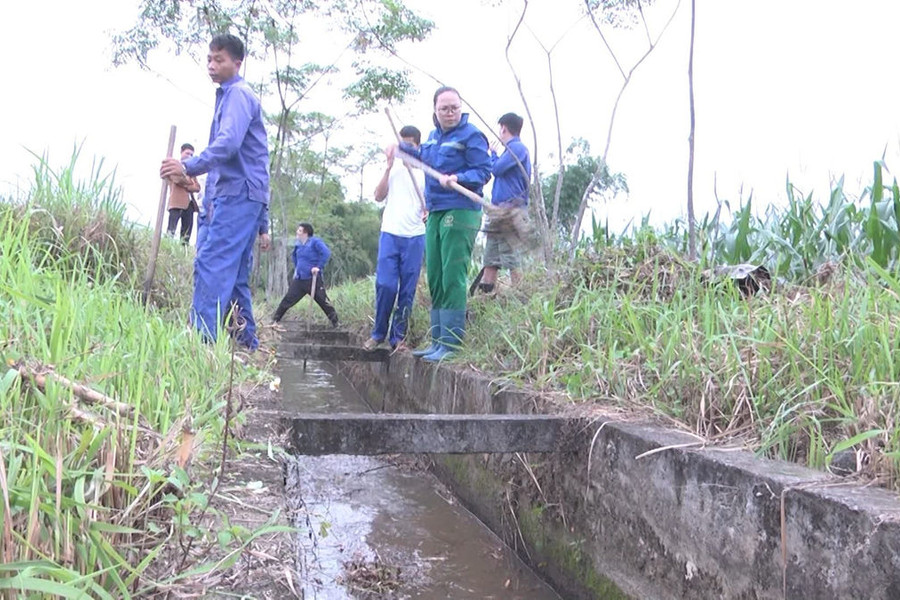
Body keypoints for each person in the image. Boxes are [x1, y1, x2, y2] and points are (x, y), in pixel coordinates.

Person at [160, 33, 270, 351]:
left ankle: (203, 346)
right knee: (233, 273)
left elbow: (228, 145)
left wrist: (187, 166)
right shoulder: (227, 96)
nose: (211, 65)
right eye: (209, 59)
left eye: (218, 59)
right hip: (233, 194)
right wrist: (208, 202)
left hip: (239, 194)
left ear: (237, 62)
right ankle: (246, 343)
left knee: (211, 264)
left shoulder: (238, 95)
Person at [393, 86, 491, 361]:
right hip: (434, 210)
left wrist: (459, 178)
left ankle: (451, 344)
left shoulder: (471, 136)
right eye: (444, 108)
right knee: (435, 276)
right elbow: (419, 155)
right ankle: (437, 341)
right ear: (435, 110)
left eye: (454, 107)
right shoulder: (434, 137)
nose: (450, 112)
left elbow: (484, 171)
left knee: (452, 275)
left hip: (460, 210)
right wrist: (396, 148)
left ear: (461, 108)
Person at [364, 125, 427, 351]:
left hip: (415, 236)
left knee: (407, 290)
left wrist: (427, 211)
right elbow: (378, 196)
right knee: (386, 285)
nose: (404, 149)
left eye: (409, 145)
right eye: (402, 144)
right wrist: (388, 168)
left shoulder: (425, 172)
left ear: (418, 146)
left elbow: (429, 206)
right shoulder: (395, 169)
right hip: (390, 234)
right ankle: (378, 333)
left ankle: (397, 337)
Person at [480, 113, 532, 293]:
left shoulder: (517, 149)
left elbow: (497, 169)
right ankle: (484, 298)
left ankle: (520, 298)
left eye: (500, 129)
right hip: (498, 212)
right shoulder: (512, 150)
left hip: (511, 212)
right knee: (490, 258)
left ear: (503, 128)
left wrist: (493, 154)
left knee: (511, 258)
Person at [272, 223, 340, 327]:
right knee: (287, 299)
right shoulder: (298, 244)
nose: (297, 232)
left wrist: (318, 266)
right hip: (300, 280)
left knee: (323, 301)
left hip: (313, 279)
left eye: (299, 231)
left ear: (305, 233)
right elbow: (294, 256)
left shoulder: (315, 242)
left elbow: (326, 253)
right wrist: (298, 269)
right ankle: (275, 320)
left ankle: (336, 322)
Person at [165, 143, 201, 244]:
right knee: (171, 231)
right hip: (176, 203)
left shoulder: (191, 169)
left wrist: (186, 182)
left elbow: (197, 187)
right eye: (187, 153)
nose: (189, 156)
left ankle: (183, 254)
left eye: (192, 155)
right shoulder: (174, 166)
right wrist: (189, 183)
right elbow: (177, 179)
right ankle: (166, 252)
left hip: (189, 205)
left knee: (186, 235)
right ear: (181, 152)